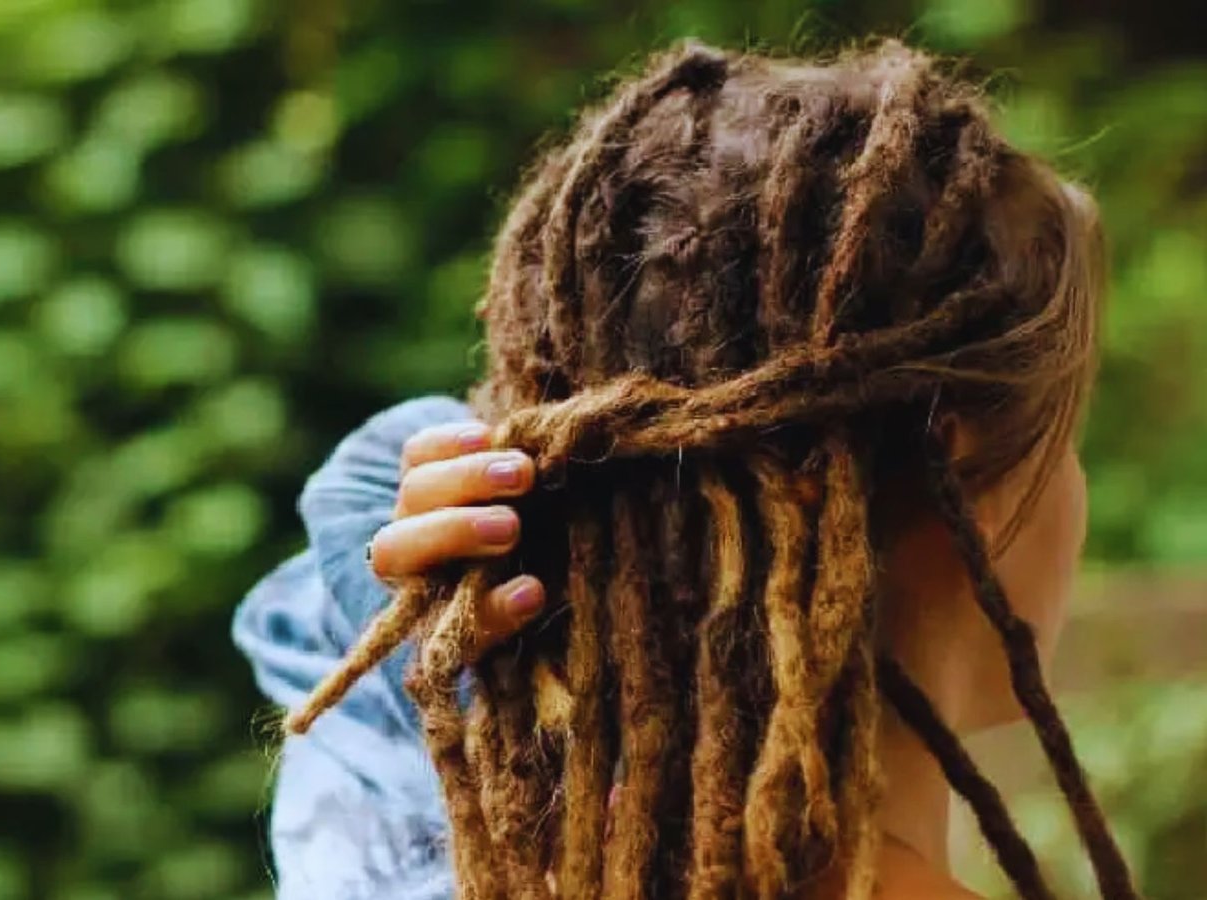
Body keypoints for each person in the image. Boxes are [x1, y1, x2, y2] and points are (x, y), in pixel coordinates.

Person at [234, 39, 1137, 900]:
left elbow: (335, 538)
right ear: (959, 469)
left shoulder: (426, 851)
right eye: (1067, 442)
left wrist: (515, 693)